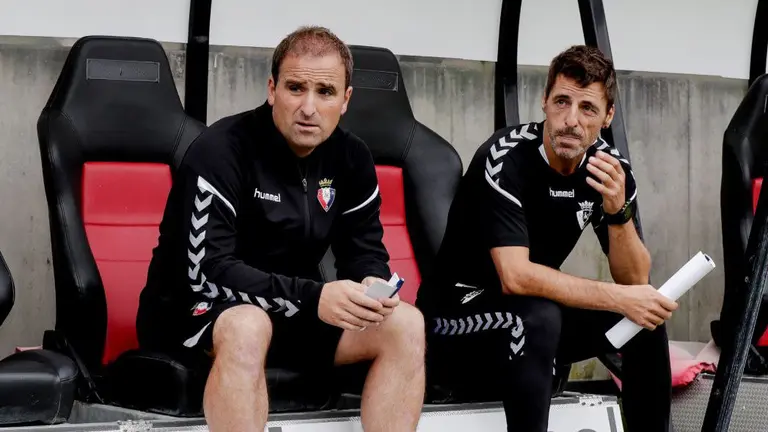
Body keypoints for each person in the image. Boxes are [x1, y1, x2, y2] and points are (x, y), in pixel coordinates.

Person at [136, 26, 425, 432]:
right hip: (195, 311)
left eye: (325, 92)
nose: (308, 107)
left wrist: (370, 287)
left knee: (405, 324)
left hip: (294, 310)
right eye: (295, 88)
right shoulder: (221, 149)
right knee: (249, 325)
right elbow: (208, 272)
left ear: (345, 100)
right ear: (272, 89)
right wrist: (313, 297)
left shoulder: (352, 157)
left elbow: (364, 251)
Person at [416, 45, 677, 432]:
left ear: (608, 116)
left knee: (644, 318)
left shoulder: (610, 169)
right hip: (451, 321)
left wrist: (618, 211)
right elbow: (516, 277)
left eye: (587, 109)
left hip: (533, 319)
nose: (571, 121)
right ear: (544, 101)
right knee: (539, 316)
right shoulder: (504, 159)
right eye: (562, 102)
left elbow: (635, 280)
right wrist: (619, 297)